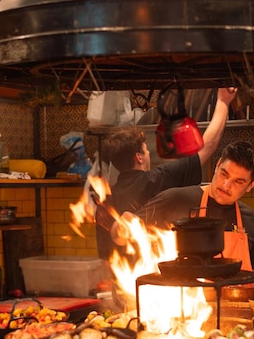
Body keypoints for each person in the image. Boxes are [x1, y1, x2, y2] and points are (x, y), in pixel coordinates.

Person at [96, 87, 236, 260]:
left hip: (123, 281)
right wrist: (223, 101)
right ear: (139, 157)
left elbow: (104, 256)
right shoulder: (158, 179)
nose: (149, 154)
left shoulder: (106, 200)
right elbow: (207, 147)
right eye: (146, 151)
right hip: (157, 276)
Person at [116, 141, 254, 277]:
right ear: (218, 165)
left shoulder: (248, 218)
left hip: (238, 303)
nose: (226, 185)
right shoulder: (175, 199)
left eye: (238, 181)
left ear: (251, 184)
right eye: (224, 174)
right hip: (193, 304)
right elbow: (120, 234)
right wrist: (121, 228)